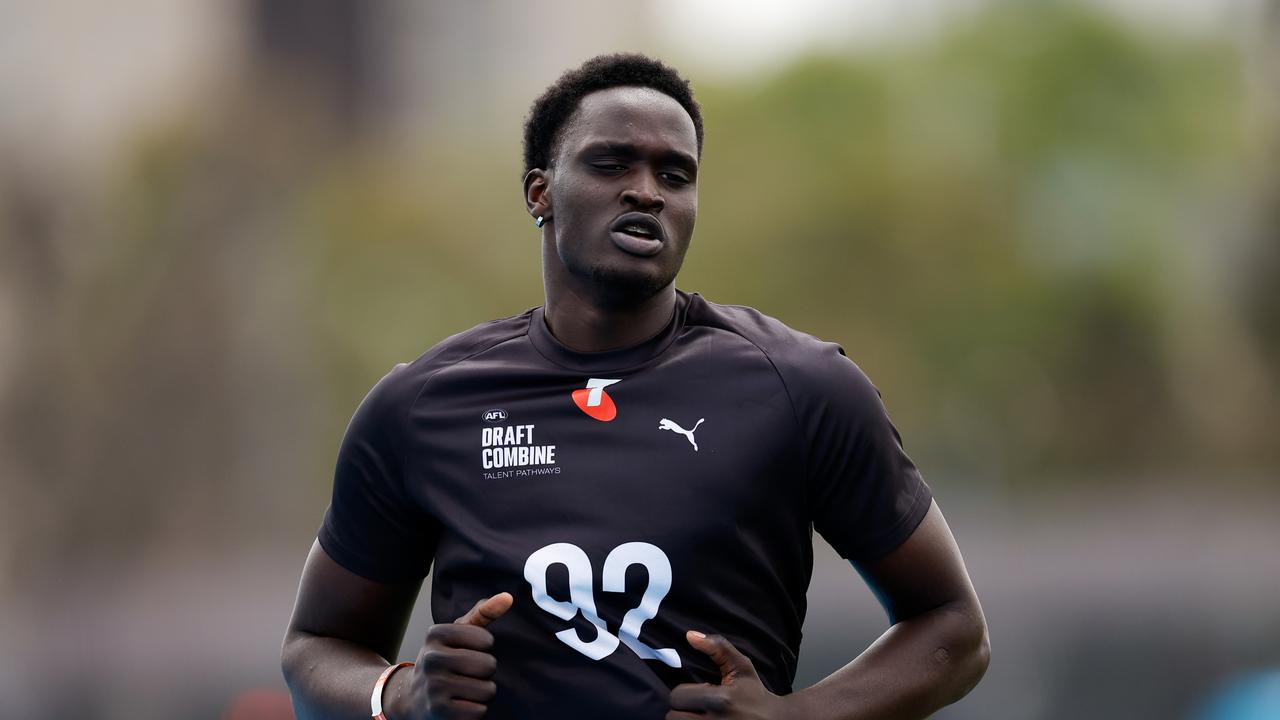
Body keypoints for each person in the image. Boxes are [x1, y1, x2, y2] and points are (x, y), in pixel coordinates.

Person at [281, 53, 989, 720]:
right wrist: (397, 694)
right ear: (540, 192)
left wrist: (796, 715)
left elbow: (953, 629)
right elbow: (313, 650)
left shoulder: (801, 387)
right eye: (611, 163)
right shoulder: (422, 406)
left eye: (675, 175)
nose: (646, 191)